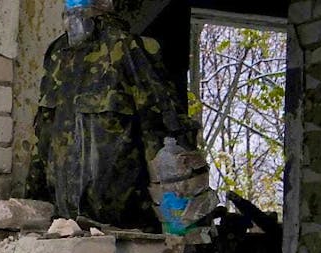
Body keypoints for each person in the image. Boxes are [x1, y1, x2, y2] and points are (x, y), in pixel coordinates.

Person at [26, 0, 198, 232]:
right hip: (63, 228)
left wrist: (178, 227)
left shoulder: (129, 50)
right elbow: (43, 137)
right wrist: (30, 209)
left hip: (122, 231)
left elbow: (162, 137)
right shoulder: (58, 54)